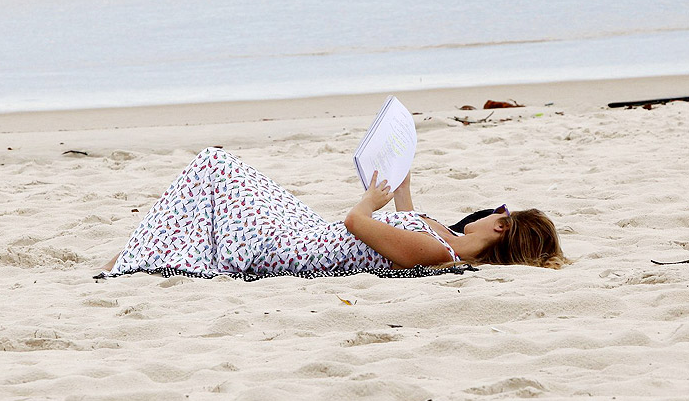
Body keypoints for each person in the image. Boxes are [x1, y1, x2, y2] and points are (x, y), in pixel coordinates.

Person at [101, 147, 565, 278]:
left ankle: (134, 257)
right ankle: (141, 250)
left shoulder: (440, 254)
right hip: (308, 230)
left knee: (214, 165)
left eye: (499, 212)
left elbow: (356, 224)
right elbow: (409, 215)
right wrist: (401, 179)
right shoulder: (444, 239)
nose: (486, 213)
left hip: (294, 247)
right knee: (220, 171)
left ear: (501, 226)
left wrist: (369, 201)